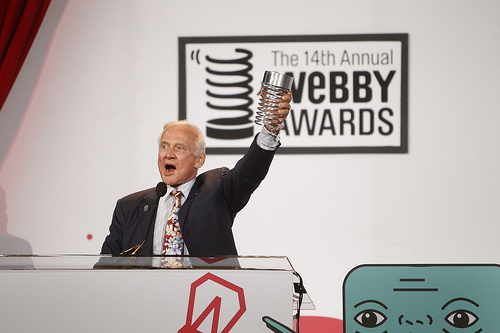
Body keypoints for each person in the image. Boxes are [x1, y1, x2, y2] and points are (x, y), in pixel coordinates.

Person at [101, 92, 292, 256]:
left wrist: (271, 127)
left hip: (205, 295)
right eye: (164, 146)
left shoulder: (217, 188)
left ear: (199, 160)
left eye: (179, 148)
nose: (169, 154)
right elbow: (105, 268)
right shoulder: (129, 207)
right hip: (147, 296)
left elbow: (250, 172)